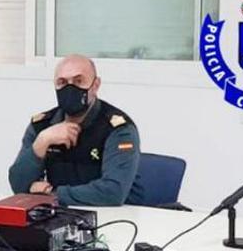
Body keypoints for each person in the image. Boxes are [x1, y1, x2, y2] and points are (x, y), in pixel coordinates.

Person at [8, 54, 145, 205]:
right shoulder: (42, 126)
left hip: (117, 219)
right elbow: (19, 186)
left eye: (78, 81)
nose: (70, 88)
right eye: (62, 82)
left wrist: (51, 193)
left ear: (96, 85)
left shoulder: (118, 129)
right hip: (62, 217)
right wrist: (42, 142)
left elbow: (112, 192)